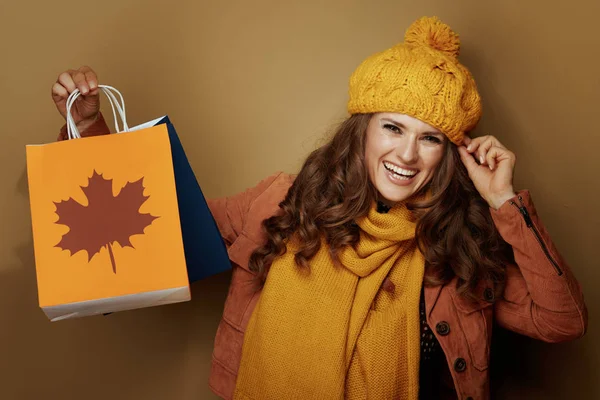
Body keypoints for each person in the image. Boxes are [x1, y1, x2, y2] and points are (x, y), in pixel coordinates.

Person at [51, 16, 586, 400]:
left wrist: (502, 201)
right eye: (393, 127)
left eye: (431, 139)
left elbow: (561, 323)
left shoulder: (456, 247)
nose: (406, 154)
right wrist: (89, 126)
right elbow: (154, 237)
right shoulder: (282, 205)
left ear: (450, 153)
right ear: (361, 132)